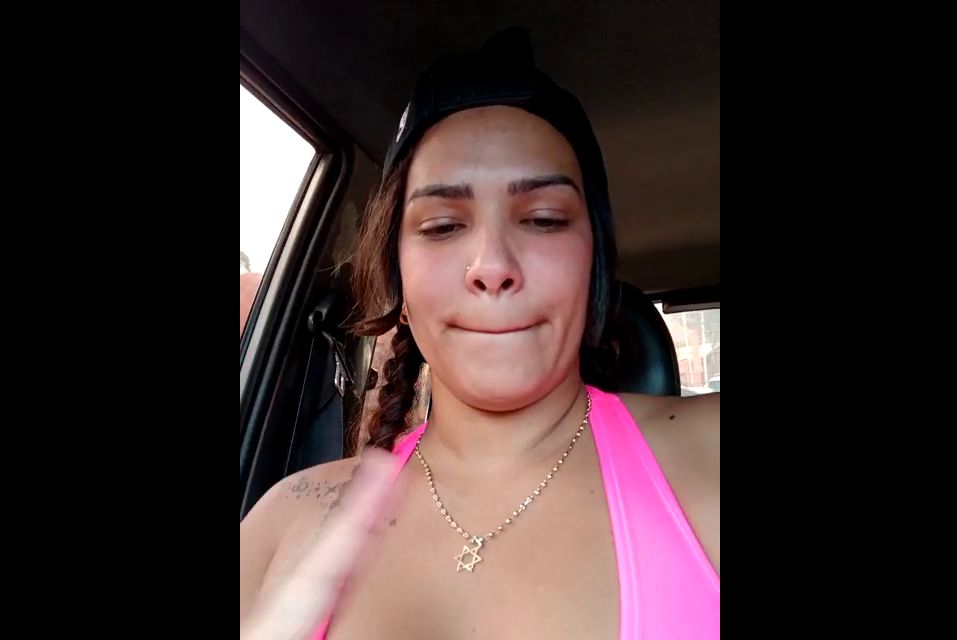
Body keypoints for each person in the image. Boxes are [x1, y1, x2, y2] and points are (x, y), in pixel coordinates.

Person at [240, 29, 719, 640]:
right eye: (442, 226)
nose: (492, 265)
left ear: (593, 268)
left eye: (543, 219)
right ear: (399, 285)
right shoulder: (284, 523)